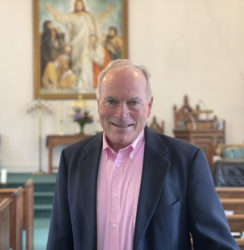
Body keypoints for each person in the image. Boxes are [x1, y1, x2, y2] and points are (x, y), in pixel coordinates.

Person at [47, 59, 239, 250]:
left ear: (149, 106)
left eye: (133, 102)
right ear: (98, 105)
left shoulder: (187, 161)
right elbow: (59, 241)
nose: (122, 113)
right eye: (111, 101)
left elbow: (217, 244)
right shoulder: (72, 160)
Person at [45, 0, 114, 92]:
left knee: (85, 62)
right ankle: (78, 83)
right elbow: (60, 17)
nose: (78, 6)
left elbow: (98, 19)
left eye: (80, 5)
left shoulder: (88, 16)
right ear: (75, 6)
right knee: (77, 64)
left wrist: (108, 11)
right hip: (76, 44)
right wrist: (51, 10)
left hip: (87, 43)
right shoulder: (71, 16)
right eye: (77, 5)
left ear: (83, 6)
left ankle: (86, 84)